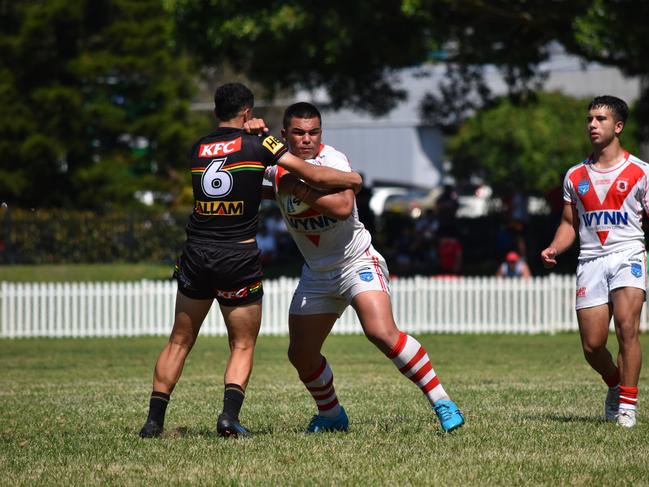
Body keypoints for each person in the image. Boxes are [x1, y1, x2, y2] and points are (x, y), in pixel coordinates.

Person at [138, 84, 361, 439]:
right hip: (236, 254)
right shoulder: (259, 145)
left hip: (196, 252)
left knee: (179, 340)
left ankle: (153, 422)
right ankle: (228, 417)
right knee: (241, 344)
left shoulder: (197, 148)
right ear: (247, 113)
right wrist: (352, 178)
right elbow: (313, 174)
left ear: (216, 112)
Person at [261, 102, 464, 433]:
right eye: (298, 133)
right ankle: (331, 415)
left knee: (381, 332)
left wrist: (295, 187)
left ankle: (442, 400)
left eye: (314, 132)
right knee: (301, 355)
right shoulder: (275, 168)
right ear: (284, 135)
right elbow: (260, 187)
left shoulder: (332, 160)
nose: (307, 139)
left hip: (357, 262)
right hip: (317, 273)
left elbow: (342, 206)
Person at [540, 95, 647, 428]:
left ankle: (628, 405)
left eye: (600, 119)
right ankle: (615, 384)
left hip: (628, 253)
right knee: (592, 345)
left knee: (627, 329)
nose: (592, 125)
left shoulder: (641, 172)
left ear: (618, 127)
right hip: (590, 261)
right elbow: (569, 224)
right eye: (589, 119)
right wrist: (555, 248)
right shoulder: (575, 176)